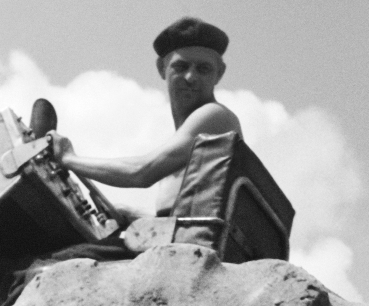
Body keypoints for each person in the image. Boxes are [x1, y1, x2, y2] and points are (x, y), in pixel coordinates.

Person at [49, 17, 242, 216]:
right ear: (161, 68)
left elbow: (141, 173)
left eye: (203, 69)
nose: (191, 77)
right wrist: (135, 219)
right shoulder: (178, 147)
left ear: (219, 74)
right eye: (181, 67)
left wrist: (68, 158)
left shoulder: (215, 116)